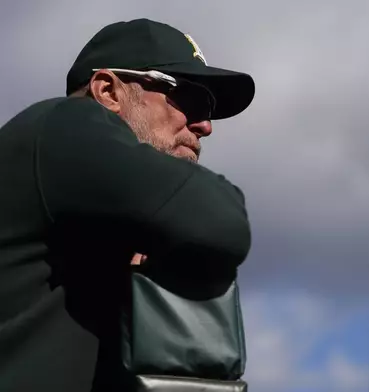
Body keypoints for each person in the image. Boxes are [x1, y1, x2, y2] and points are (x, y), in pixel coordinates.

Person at [0, 18, 255, 392]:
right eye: (190, 98)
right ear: (108, 91)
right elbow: (222, 219)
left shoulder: (90, 220)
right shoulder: (63, 122)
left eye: (209, 108)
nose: (205, 126)